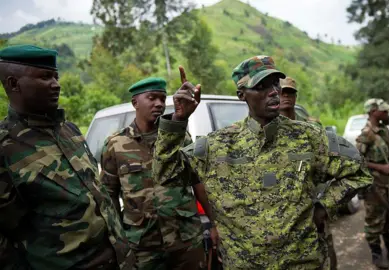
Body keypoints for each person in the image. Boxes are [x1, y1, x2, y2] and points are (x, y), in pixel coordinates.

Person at [152, 56, 372, 269]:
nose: (274, 92)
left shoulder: (309, 137)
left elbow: (359, 172)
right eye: (262, 86)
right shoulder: (216, 145)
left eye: (275, 83)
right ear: (242, 95)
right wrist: (179, 120)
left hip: (303, 263)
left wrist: (323, 208)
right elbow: (165, 175)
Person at [0, 44, 135, 269]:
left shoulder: (69, 131)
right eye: (45, 77)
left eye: (56, 76)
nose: (56, 85)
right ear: (14, 83)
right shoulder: (6, 147)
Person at [100, 77, 215, 270]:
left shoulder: (179, 138)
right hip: (142, 245)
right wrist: (117, 240)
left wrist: (214, 224)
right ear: (135, 103)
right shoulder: (116, 144)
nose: (159, 104)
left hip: (185, 239)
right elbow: (108, 196)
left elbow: (198, 182)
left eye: (162, 99)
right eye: (152, 98)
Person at [279, 76, 337, 270]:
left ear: (295, 97)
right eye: (282, 92)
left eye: (290, 93)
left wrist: (325, 204)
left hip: (312, 202)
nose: (286, 97)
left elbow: (329, 167)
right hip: (282, 211)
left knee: (325, 252)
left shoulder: (312, 128)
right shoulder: (268, 128)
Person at [355, 98, 389, 269]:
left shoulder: (383, 130)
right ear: (373, 111)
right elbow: (356, 161)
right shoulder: (366, 133)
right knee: (374, 220)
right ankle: (376, 254)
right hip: (374, 187)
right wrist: (380, 167)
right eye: (383, 111)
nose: (386, 113)